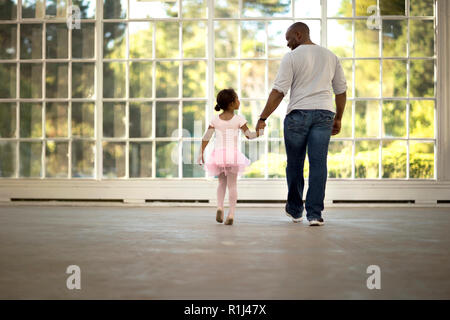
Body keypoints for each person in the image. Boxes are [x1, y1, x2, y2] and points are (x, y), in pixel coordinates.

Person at [255, 22, 347, 227]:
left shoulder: (292, 58)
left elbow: (279, 91)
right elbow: (340, 91)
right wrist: (338, 118)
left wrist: (262, 118)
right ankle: (315, 214)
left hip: (298, 115)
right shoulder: (331, 56)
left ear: (298, 34)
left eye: (288, 39)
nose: (287, 44)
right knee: (318, 164)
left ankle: (296, 210)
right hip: (324, 115)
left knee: (295, 163)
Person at [198, 88, 262, 225]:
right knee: (232, 186)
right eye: (237, 99)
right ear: (232, 104)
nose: (239, 101)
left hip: (219, 156)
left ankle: (220, 207)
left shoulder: (215, 120)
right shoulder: (239, 119)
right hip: (233, 156)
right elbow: (249, 136)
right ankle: (231, 214)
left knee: (221, 183)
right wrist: (260, 131)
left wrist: (201, 153)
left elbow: (206, 137)